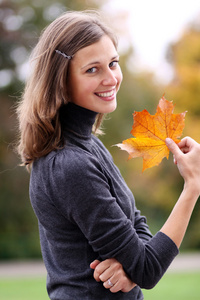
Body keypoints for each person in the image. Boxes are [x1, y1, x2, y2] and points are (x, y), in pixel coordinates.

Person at [16, 10, 200, 300]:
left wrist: (131, 268)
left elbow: (135, 221)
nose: (111, 78)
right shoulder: (69, 165)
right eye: (93, 69)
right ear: (61, 80)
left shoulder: (88, 145)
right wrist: (193, 186)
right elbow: (148, 270)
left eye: (113, 63)